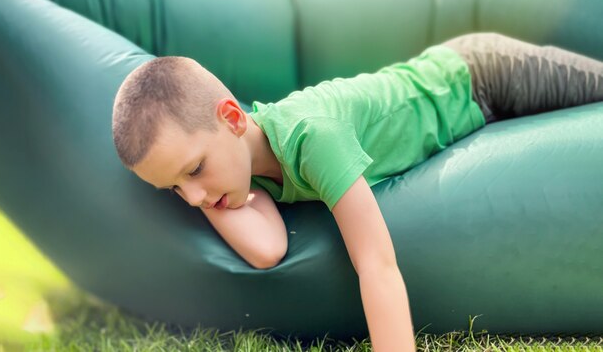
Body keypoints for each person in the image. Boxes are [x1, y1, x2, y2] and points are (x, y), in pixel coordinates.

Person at [111, 32, 603, 352]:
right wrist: (206, 190)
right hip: (470, 98)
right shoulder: (234, 173)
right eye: (173, 188)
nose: (192, 198)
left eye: (195, 169)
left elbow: (377, 266)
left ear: (234, 118)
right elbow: (267, 250)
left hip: (481, 75)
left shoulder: (311, 138)